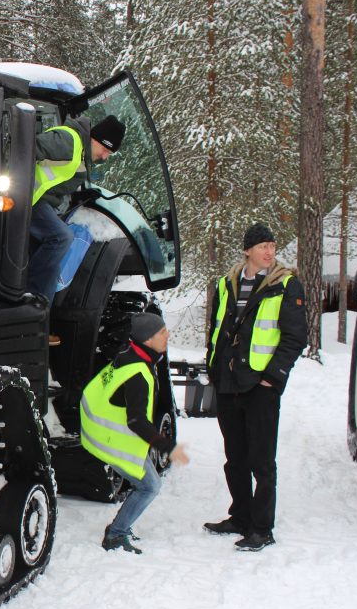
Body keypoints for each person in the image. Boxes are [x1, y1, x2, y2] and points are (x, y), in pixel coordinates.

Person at [203, 223, 306, 551]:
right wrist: (213, 368)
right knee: (235, 457)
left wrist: (272, 377)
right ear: (247, 250)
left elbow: (295, 338)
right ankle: (241, 516)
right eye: (263, 246)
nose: (269, 252)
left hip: (261, 387)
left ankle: (262, 528)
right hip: (228, 384)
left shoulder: (286, 285)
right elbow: (216, 329)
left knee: (261, 461)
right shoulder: (225, 284)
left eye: (272, 246)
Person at [81, 313, 190, 553]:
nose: (168, 335)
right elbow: (137, 422)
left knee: (145, 484)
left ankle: (119, 529)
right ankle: (116, 535)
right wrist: (168, 447)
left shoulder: (127, 354)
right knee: (149, 486)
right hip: (113, 440)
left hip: (99, 433)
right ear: (147, 339)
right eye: (162, 332)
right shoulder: (138, 374)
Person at [28, 114, 126, 323]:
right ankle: (31, 298)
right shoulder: (69, 141)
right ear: (96, 139)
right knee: (61, 237)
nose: (105, 156)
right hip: (25, 200)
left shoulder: (80, 153)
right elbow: (26, 146)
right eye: (106, 150)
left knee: (54, 263)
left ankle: (41, 316)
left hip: (38, 202)